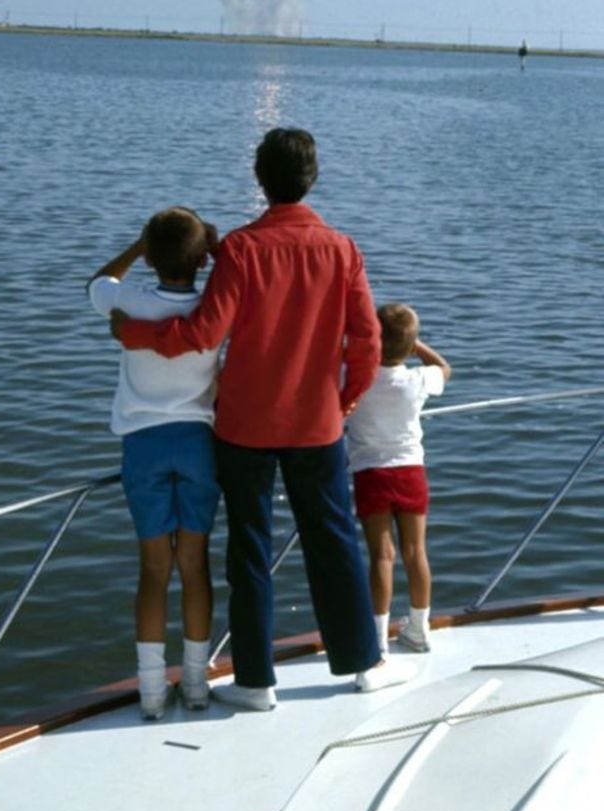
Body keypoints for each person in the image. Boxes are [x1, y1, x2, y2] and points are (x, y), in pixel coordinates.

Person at [112, 128, 415, 708]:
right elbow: (368, 343)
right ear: (312, 178)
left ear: (260, 178)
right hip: (317, 425)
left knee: (249, 548)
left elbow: (203, 333)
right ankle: (362, 664)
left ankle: (254, 680)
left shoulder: (241, 252)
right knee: (334, 543)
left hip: (244, 426)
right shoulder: (343, 249)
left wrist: (133, 331)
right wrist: (345, 400)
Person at [87, 207, 221, 719]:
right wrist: (212, 249)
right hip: (198, 444)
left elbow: (97, 282)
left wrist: (135, 248)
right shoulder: (214, 305)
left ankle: (149, 693)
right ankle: (195, 685)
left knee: (153, 570)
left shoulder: (129, 300)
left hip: (143, 445)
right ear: (200, 258)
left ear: (151, 254)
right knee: (195, 566)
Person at [346, 303, 451, 656]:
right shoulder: (417, 379)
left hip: (370, 472)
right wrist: (415, 345)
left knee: (382, 556)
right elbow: (443, 369)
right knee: (415, 551)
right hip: (410, 471)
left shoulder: (357, 377)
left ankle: (377, 639)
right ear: (409, 346)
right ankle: (419, 629)